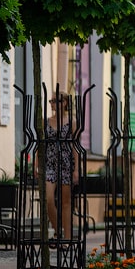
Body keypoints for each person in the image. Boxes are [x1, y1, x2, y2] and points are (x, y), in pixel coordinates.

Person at [43, 93, 79, 239]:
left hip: (66, 163)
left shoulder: (72, 121)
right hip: (50, 163)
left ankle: (68, 239)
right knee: (48, 199)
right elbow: (41, 144)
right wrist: (36, 165)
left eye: (55, 101)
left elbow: (76, 145)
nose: (52, 103)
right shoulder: (45, 121)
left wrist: (76, 168)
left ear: (64, 102)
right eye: (51, 101)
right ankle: (58, 231)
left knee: (66, 202)